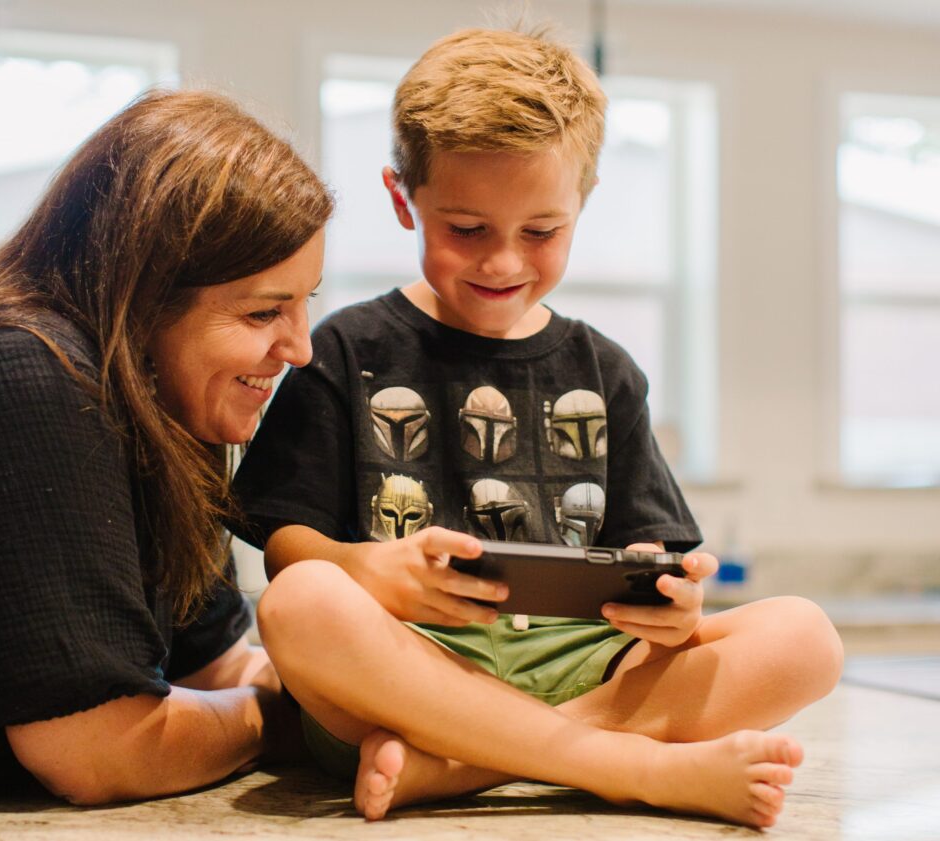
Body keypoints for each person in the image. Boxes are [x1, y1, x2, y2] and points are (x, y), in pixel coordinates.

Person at [232, 27, 844, 830]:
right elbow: (287, 548)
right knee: (301, 601)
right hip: (414, 671)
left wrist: (678, 609)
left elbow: (658, 564)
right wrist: (367, 567)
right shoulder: (346, 349)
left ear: (582, 201)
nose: (502, 261)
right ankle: (633, 765)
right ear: (401, 196)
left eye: (541, 232)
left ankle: (461, 771)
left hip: (584, 665)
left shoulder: (608, 369)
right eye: (467, 229)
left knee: (805, 636)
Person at [0, 89, 333, 841]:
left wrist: (355, 678)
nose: (300, 348)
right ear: (145, 296)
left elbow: (214, 662)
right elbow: (96, 749)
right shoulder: (29, 378)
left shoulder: (155, 411)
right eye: (263, 312)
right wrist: (291, 721)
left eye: (305, 303)